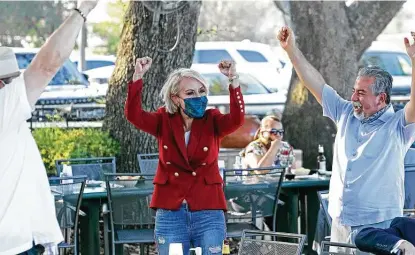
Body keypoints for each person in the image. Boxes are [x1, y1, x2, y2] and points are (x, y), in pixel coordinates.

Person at [276, 26, 415, 249]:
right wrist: (291, 50)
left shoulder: (398, 125)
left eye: (361, 93)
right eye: (354, 90)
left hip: (379, 224)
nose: (353, 97)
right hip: (339, 220)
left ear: (381, 98)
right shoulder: (345, 112)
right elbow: (316, 83)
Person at [0, 1, 98, 254]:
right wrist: (82, 11)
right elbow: (46, 65)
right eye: (10, 80)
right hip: (13, 244)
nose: (15, 86)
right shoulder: (4, 107)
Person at [125, 57, 245, 255]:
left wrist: (233, 80)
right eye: (190, 93)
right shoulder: (163, 120)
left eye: (201, 92)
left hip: (208, 209)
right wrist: (137, 77)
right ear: (175, 98)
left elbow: (237, 119)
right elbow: (133, 115)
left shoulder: (212, 119)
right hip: (171, 210)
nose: (197, 97)